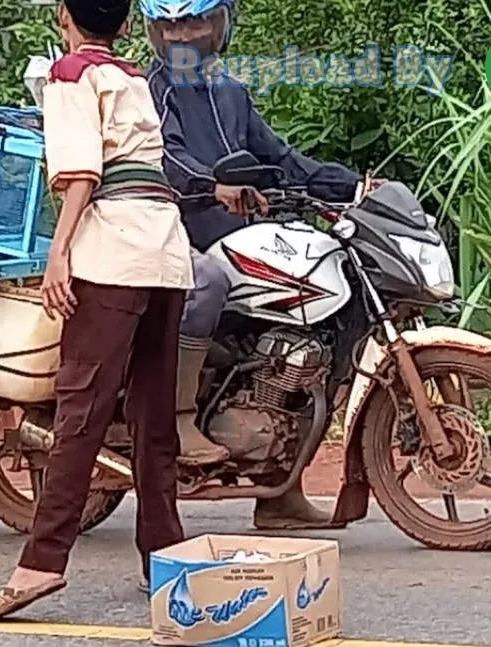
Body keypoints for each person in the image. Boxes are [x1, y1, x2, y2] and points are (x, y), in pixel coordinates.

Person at [0, 0, 194, 621]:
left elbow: (81, 175)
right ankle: (166, 559)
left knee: (81, 411)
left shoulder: (69, 74)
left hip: (112, 255)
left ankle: (41, 563)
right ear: (126, 25)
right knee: (155, 419)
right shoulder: (133, 77)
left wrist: (58, 253)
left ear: (61, 15)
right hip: (166, 253)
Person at [140, 0, 366, 530]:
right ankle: (180, 418)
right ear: (152, 29)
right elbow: (163, 157)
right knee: (210, 282)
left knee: (317, 319)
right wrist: (211, 186)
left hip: (234, 231)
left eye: (193, 21)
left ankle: (280, 494)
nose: (182, 36)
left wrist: (354, 187)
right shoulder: (154, 90)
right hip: (174, 229)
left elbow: (280, 160)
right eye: (169, 24)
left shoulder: (230, 91)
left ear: (220, 23)